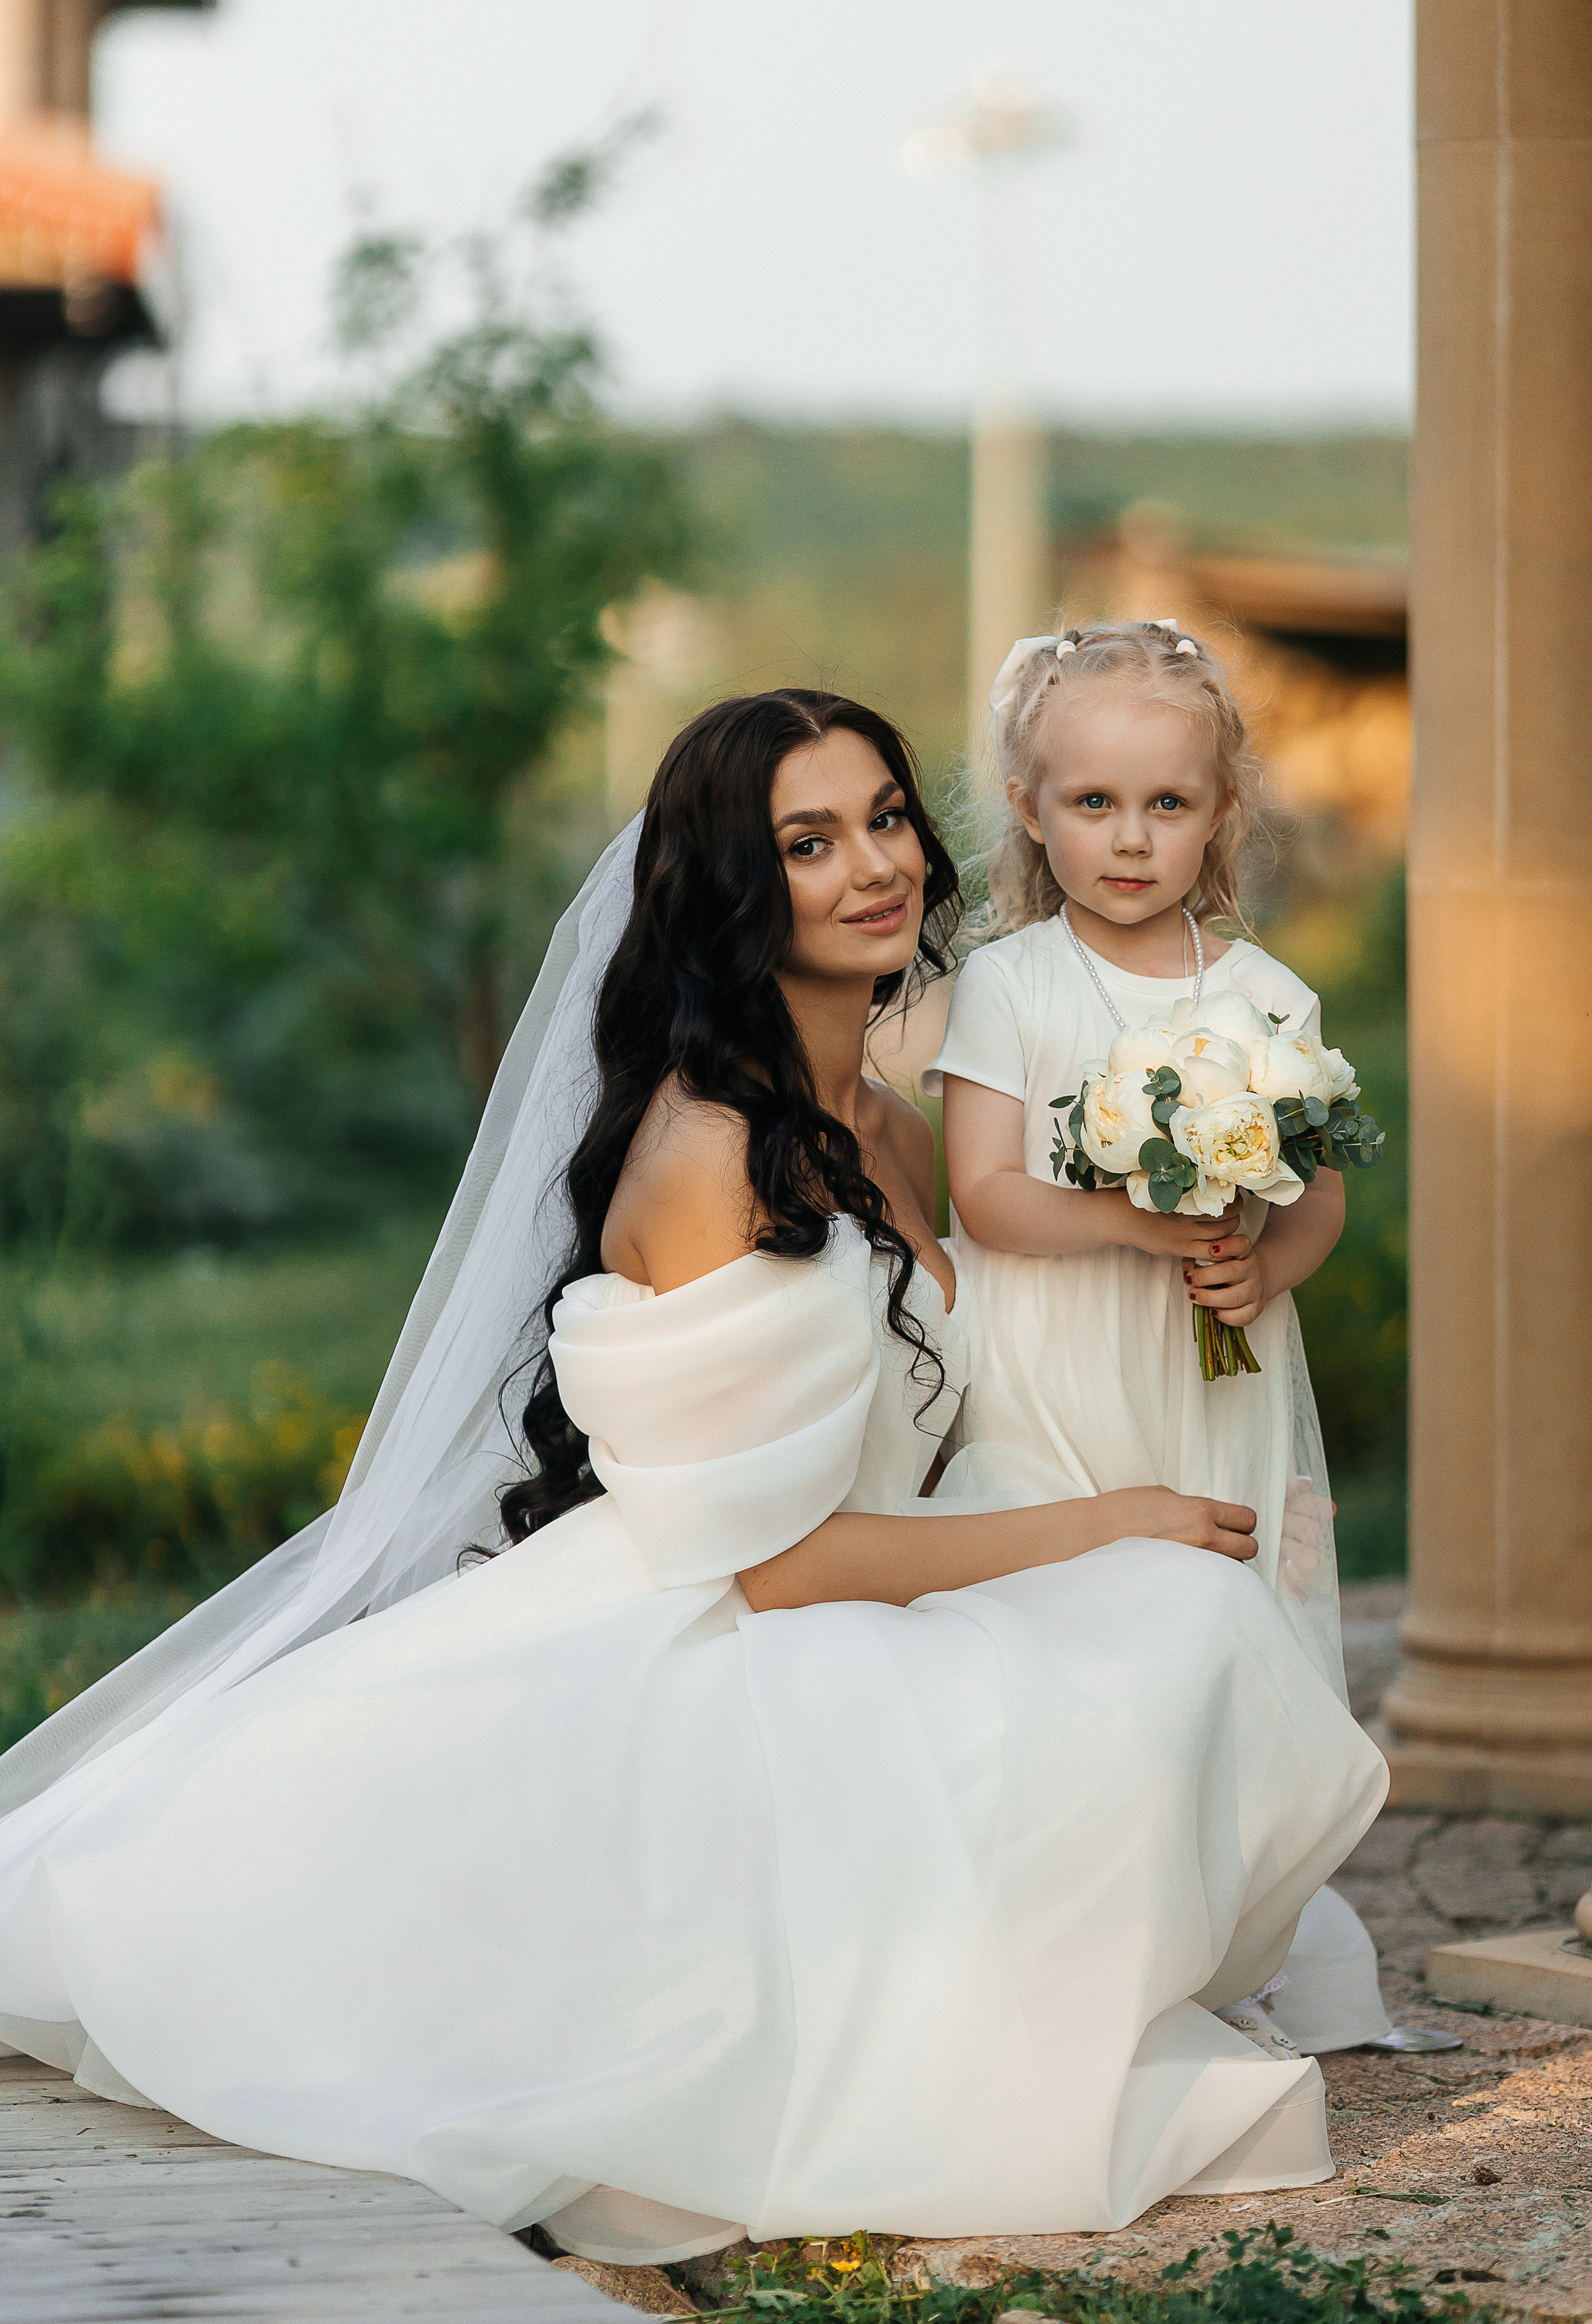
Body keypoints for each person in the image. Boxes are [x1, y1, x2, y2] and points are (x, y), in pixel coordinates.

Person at [0, 689, 1387, 2257]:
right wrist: (1107, 1519)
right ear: (731, 887)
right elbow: (774, 1564)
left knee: (1172, 1626)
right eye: (809, 842)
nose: (875, 866)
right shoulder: (719, 1156)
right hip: (737, 1625)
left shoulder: (877, 1120)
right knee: (1152, 1622)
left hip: (868, 1575)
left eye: (882, 819)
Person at [933, 623, 1354, 1701]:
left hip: (1206, 1362)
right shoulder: (1009, 984)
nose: (1131, 840)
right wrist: (1133, 1219)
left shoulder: (1265, 996)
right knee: (1073, 1634)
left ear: (1220, 812)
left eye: (1167, 805)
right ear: (1031, 809)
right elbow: (984, 1196)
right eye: (1093, 805)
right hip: (1053, 1358)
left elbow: (1319, 1195)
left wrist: (1270, 1269)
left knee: (1208, 1626)